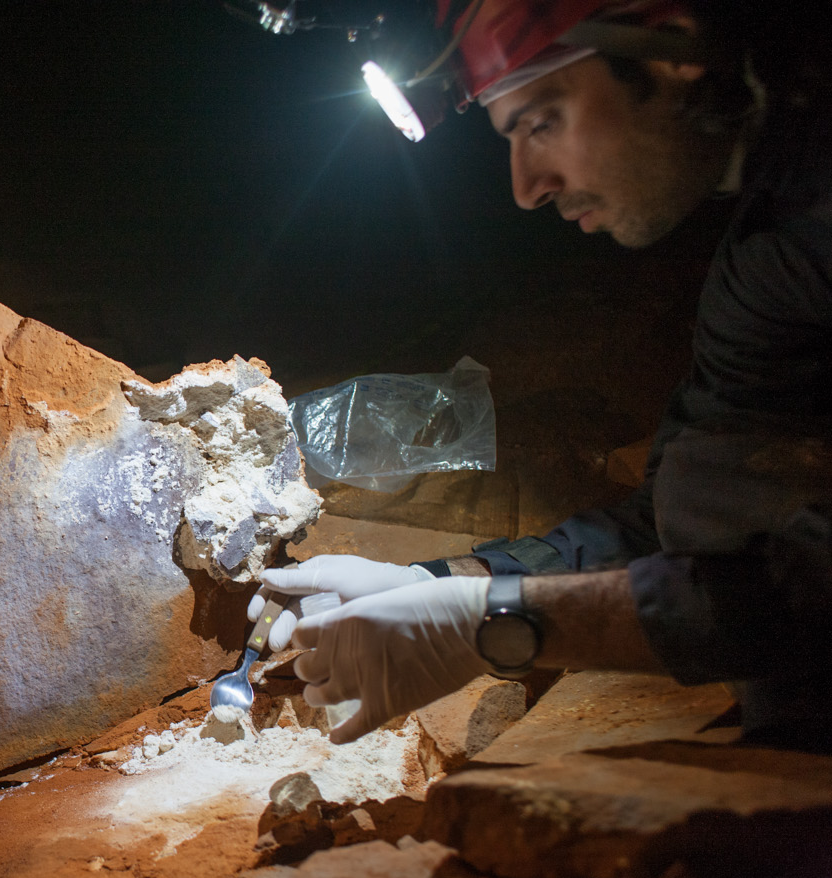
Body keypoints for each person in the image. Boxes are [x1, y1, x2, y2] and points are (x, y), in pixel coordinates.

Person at [255, 0, 832, 752]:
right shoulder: (770, 257)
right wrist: (447, 583)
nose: (526, 186)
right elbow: (678, 508)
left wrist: (502, 626)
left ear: (672, 48)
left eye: (541, 120)